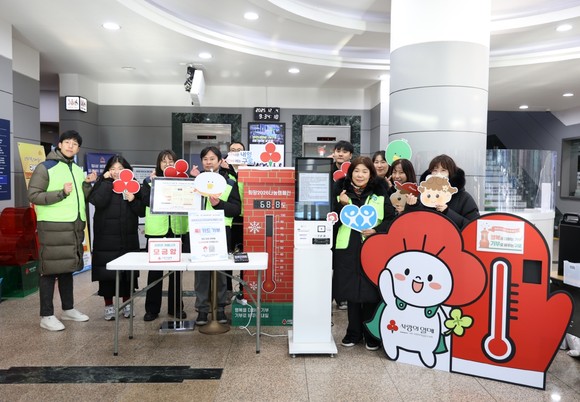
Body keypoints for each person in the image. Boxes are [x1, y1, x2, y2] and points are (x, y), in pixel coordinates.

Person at [28, 130, 97, 331]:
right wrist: (61, 193)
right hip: (53, 226)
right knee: (49, 271)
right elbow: (34, 195)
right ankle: (46, 315)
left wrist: (87, 184)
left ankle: (68, 309)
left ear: (78, 148)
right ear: (59, 144)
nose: (70, 146)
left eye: (75, 144)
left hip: (73, 226)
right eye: (67, 142)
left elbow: (80, 197)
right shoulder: (45, 167)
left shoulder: (76, 169)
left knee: (67, 268)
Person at [332, 156, 396, 350]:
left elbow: (391, 219)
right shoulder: (340, 191)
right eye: (356, 171)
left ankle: (371, 334)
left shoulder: (380, 192)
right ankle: (353, 332)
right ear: (350, 173)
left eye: (364, 171)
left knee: (370, 291)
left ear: (371, 174)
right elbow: (331, 219)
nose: (360, 175)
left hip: (372, 248)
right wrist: (342, 205)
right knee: (351, 292)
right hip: (347, 248)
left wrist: (376, 230)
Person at [88, 155, 145, 320]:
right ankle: (108, 306)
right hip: (105, 237)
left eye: (120, 168)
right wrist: (106, 182)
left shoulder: (134, 185)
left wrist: (133, 200)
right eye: (112, 168)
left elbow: (142, 211)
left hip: (128, 236)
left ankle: (127, 304)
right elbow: (97, 201)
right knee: (106, 274)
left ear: (126, 170)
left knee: (127, 273)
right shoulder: (102, 184)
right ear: (107, 170)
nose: (116, 172)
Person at [190, 146, 241, 325]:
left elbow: (236, 209)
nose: (208, 162)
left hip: (221, 231)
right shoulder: (195, 182)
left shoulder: (230, 183)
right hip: (199, 230)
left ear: (220, 161)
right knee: (201, 272)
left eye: (212, 158)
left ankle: (219, 308)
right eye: (205, 159)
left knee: (220, 272)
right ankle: (202, 309)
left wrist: (219, 204)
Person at [141, 150, 189, 321]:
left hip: (176, 228)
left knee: (176, 271)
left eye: (171, 161)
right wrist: (155, 185)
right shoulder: (148, 181)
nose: (167, 164)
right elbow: (144, 202)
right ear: (158, 164)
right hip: (157, 230)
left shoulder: (183, 179)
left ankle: (176, 308)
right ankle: (151, 309)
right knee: (155, 272)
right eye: (164, 161)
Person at [419, 154, 480, 229]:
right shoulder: (423, 196)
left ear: (450, 173)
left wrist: (447, 212)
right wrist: (412, 206)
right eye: (435, 170)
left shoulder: (464, 198)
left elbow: (473, 226)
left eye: (443, 170)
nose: (438, 174)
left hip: (453, 236)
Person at [331, 140, 354, 311]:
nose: (340, 154)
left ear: (350, 155)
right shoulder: (326, 169)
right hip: (329, 218)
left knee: (342, 263)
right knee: (327, 261)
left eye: (345, 151)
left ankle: (341, 297)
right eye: (338, 150)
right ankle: (325, 296)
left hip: (347, 221)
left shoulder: (354, 173)